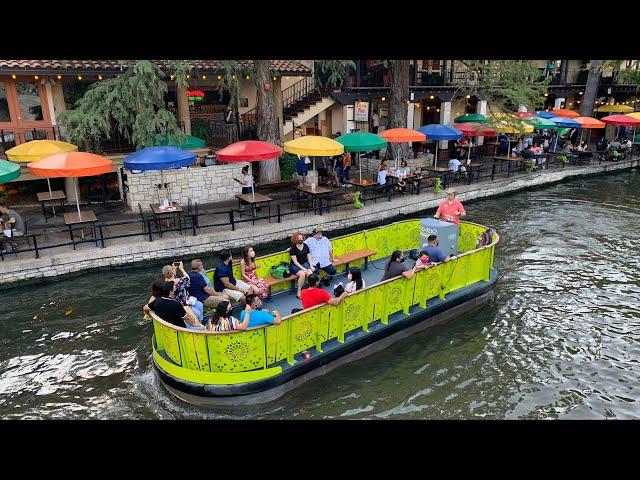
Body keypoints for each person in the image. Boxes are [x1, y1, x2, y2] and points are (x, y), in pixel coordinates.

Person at [289, 231, 314, 298]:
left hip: (304, 263)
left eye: (301, 238)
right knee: (302, 274)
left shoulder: (305, 246)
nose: (301, 240)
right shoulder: (293, 249)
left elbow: (309, 257)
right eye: (299, 239)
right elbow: (295, 262)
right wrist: (304, 269)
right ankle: (298, 292)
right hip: (294, 266)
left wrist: (311, 265)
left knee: (310, 273)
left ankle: (311, 290)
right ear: (295, 239)